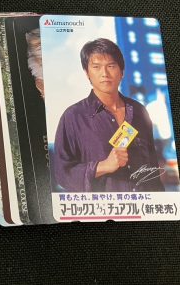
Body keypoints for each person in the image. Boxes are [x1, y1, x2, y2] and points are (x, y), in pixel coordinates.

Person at [53, 38, 164, 192]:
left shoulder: (139, 111)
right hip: (105, 205)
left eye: (111, 66)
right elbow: (63, 174)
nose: (104, 73)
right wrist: (103, 166)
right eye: (96, 67)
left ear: (122, 72)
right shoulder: (73, 117)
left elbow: (152, 167)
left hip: (144, 204)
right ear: (87, 73)